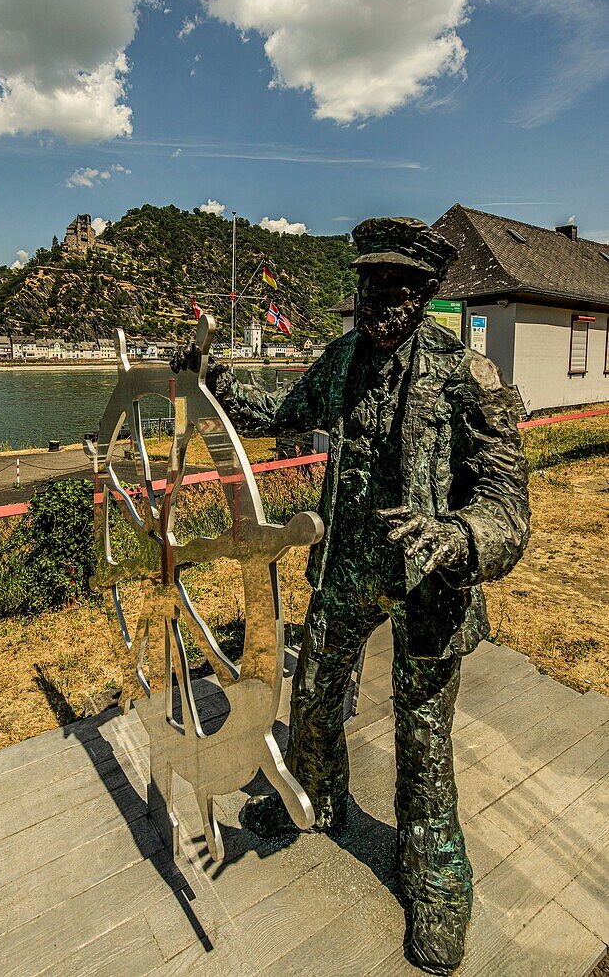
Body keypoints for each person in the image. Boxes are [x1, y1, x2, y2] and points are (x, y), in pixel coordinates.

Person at [172, 217, 530, 975]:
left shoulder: (468, 377)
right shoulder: (341, 360)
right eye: (367, 285)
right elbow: (279, 418)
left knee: (422, 738)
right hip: (345, 570)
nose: (376, 300)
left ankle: (434, 870)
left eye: (394, 287)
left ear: (426, 293)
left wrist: (458, 536)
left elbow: (508, 505)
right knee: (314, 694)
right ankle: (314, 794)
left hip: (427, 583)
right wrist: (213, 386)